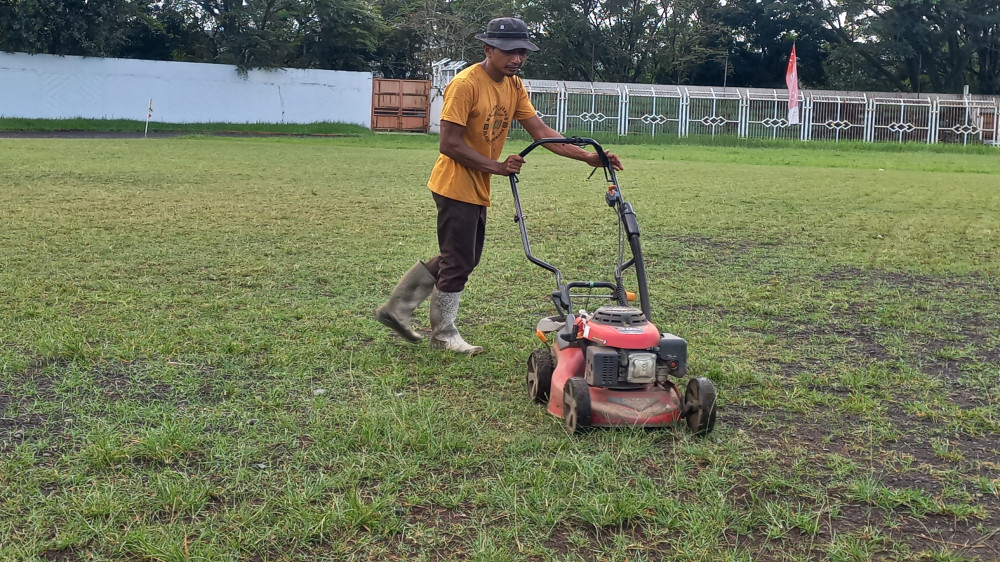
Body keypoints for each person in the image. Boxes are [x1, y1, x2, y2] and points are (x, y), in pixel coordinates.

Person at [375, 16, 623, 355]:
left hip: (477, 182)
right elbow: (448, 143)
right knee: (460, 260)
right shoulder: (466, 85)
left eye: (522, 52)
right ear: (488, 48)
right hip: (454, 183)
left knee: (462, 257)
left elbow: (542, 132)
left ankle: (397, 308)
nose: (517, 59)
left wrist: (588, 157)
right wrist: (497, 166)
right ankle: (443, 334)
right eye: (509, 51)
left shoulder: (514, 86)